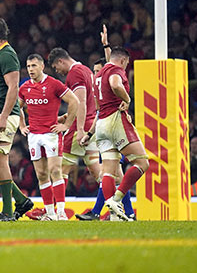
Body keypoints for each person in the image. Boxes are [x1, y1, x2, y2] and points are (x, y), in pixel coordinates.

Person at [80, 46, 150, 221]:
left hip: (101, 123)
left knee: (109, 172)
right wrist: (127, 99)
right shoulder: (117, 70)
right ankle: (116, 200)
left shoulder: (98, 75)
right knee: (142, 162)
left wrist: (105, 44)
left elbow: (97, 104)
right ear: (124, 60)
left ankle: (115, 216)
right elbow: (115, 84)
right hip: (115, 120)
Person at [0, 17, 33, 221]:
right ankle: (21, 199)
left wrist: (3, 116)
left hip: (2, 114)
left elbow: (13, 87)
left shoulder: (8, 54)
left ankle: (8, 212)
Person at [18, 54, 79, 220]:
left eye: (34, 66)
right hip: (34, 136)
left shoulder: (54, 84)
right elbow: (17, 108)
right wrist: (22, 126)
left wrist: (66, 125)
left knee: (55, 170)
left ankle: (61, 213)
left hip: (51, 134)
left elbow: (74, 101)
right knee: (42, 175)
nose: (31, 69)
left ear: (42, 66)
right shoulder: (24, 88)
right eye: (28, 66)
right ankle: (50, 213)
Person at [48, 47, 103, 217]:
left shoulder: (75, 73)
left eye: (57, 68)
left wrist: (79, 129)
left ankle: (56, 211)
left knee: (59, 170)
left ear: (61, 61)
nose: (59, 72)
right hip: (91, 123)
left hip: (80, 126)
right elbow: (86, 101)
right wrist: (65, 116)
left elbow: (80, 102)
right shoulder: (86, 70)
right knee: (97, 171)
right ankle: (120, 202)